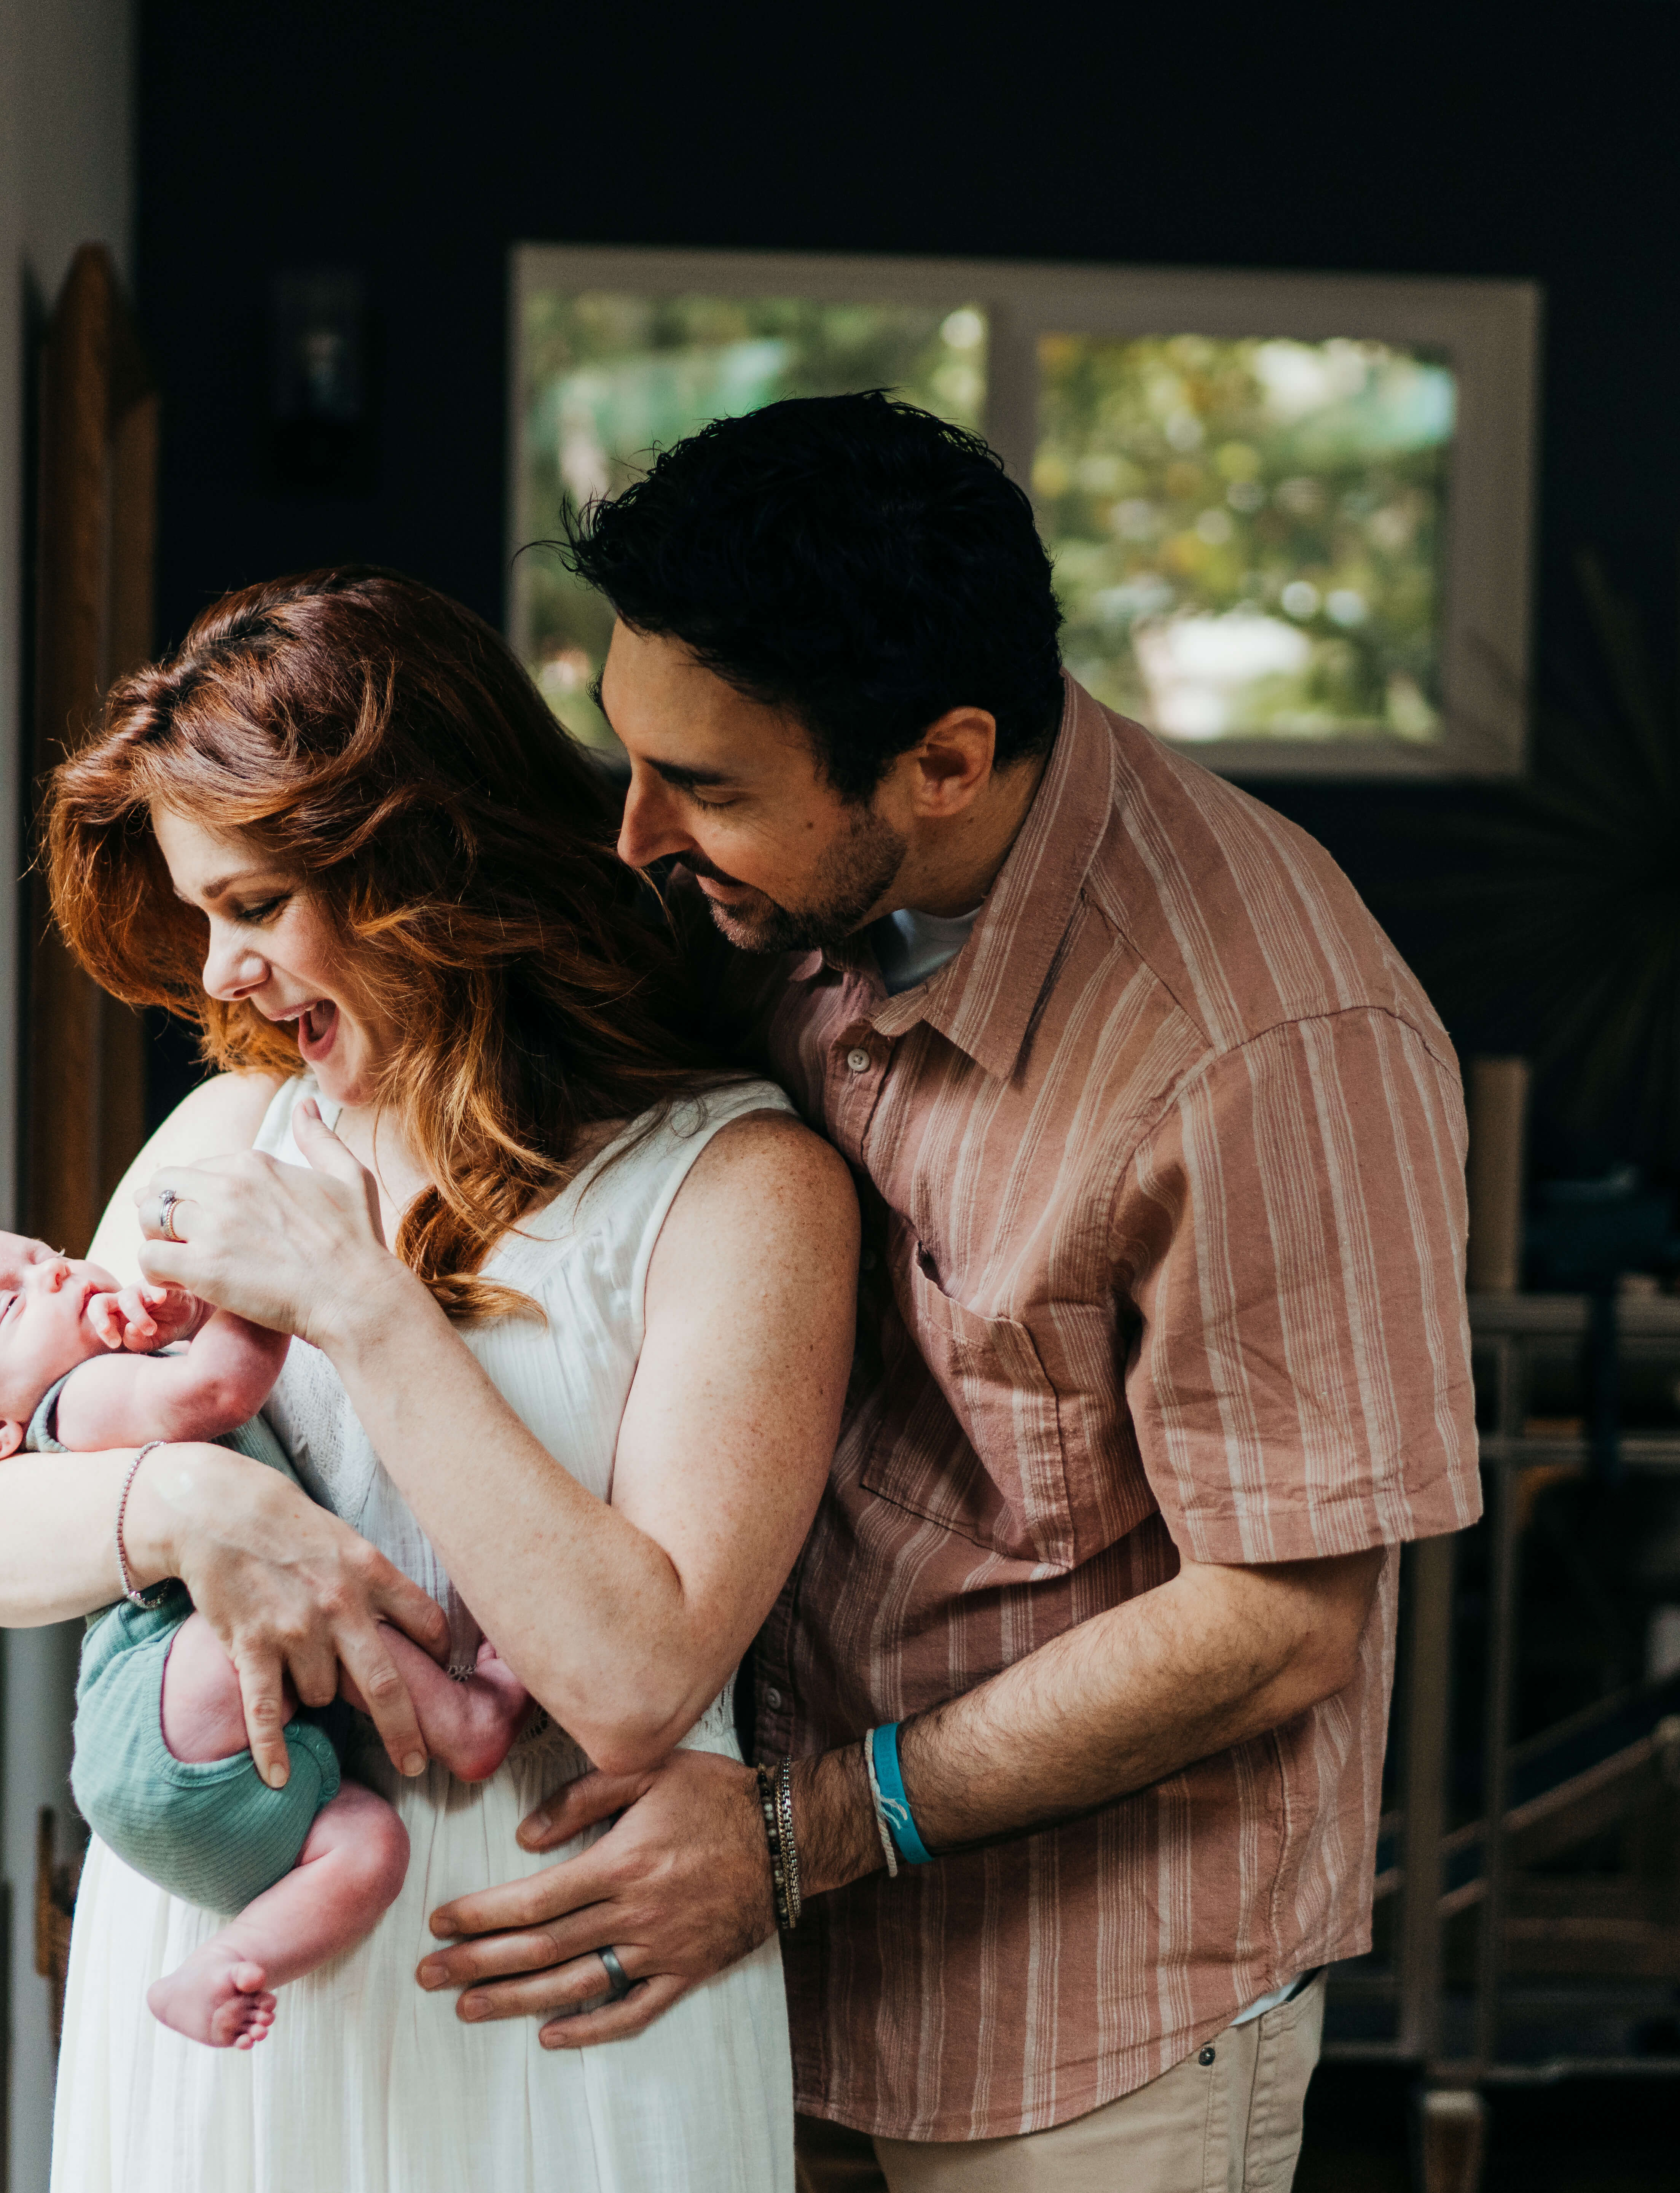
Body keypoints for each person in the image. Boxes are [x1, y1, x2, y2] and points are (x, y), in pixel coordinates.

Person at [410, 393, 1484, 2193]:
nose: (635, 838)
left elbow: (1283, 1617)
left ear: (943, 761)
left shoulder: (1267, 1045)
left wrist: (794, 1833)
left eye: (710, 789)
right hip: (762, 1934)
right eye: (633, 755)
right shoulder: (790, 897)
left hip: (1086, 2018)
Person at [0, 569, 859, 2191]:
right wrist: (183, 1497)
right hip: (234, 1979)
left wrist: (366, 1304)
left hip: (551, 2008)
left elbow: (631, 1679)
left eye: (256, 907)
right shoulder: (229, 1135)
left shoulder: (740, 1185)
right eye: (206, 914)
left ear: (432, 872)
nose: (219, 976)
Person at [0, 1229, 528, 2050]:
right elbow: (220, 1390)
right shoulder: (75, 1399)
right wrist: (258, 1281)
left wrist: (183, 1317)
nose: (57, 1273)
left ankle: (229, 1960)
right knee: (304, 1591)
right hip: (154, 1724)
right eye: (13, 1301)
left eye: (46, 1252)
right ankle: (461, 1721)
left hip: (213, 1793)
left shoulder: (113, 1379)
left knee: (368, 1847)